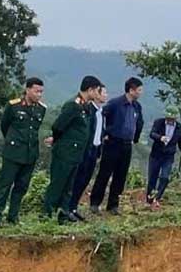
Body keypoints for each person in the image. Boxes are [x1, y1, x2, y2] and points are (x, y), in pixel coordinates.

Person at [42, 75, 104, 223]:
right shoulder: (73, 105)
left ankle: (63, 213)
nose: (98, 93)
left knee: (69, 186)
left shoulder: (86, 106)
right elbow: (58, 126)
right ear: (90, 90)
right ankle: (47, 213)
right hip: (66, 152)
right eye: (97, 90)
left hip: (78, 153)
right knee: (58, 183)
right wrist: (57, 141)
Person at [0, 77, 50, 226]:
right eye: (36, 91)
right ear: (27, 89)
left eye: (41, 92)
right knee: (5, 184)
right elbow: (5, 126)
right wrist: (12, 141)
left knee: (22, 186)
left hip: (30, 154)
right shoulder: (14, 106)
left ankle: (13, 216)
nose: (39, 94)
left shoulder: (41, 108)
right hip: (13, 152)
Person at [89, 77, 145, 215]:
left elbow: (139, 123)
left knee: (121, 175)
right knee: (105, 173)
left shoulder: (137, 106)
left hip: (127, 145)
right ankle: (95, 203)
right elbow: (101, 115)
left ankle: (113, 205)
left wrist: (135, 138)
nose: (140, 93)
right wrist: (105, 133)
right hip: (113, 143)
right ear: (131, 90)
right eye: (139, 90)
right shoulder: (115, 103)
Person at [66, 85, 107, 220]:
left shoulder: (102, 112)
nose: (106, 96)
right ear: (96, 94)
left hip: (95, 150)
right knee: (77, 179)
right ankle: (68, 208)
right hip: (85, 150)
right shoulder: (89, 110)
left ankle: (74, 207)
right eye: (103, 93)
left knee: (85, 180)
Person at [145, 104, 181, 209]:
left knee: (165, 177)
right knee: (152, 178)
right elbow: (152, 134)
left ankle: (157, 198)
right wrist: (160, 138)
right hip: (156, 155)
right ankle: (149, 200)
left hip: (168, 156)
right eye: (168, 118)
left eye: (172, 119)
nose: (170, 121)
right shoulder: (159, 122)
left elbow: (180, 142)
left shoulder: (180, 127)